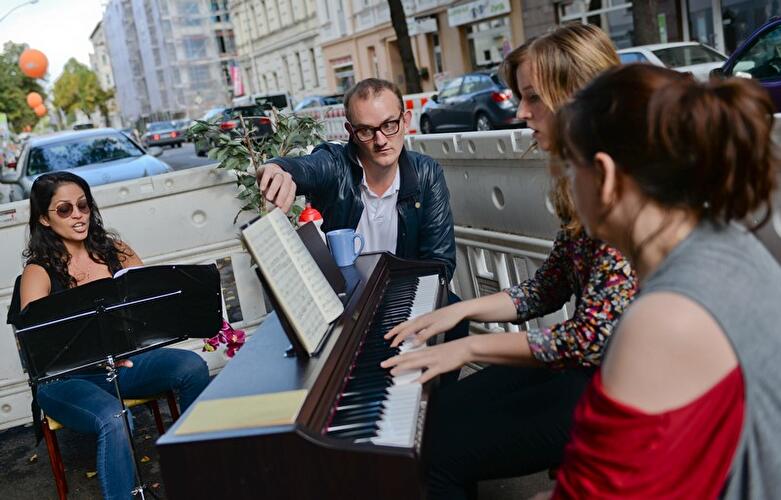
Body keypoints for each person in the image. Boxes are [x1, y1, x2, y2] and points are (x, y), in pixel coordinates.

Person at [381, 24, 636, 500]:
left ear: (578, 95)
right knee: (435, 416)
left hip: (617, 387)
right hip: (583, 369)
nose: (520, 112)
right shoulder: (582, 173)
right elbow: (546, 289)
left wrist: (469, 348)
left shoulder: (622, 183)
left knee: (436, 452)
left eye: (533, 97)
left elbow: (590, 340)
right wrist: (459, 311)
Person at [550, 64, 781, 498]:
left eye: (569, 166)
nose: (567, 183)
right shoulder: (729, 239)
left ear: (605, 176)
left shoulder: (668, 317)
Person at [8, 172, 210, 500]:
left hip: (123, 365)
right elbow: (40, 344)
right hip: (66, 379)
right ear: (44, 218)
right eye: (64, 209)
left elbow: (150, 307)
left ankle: (200, 469)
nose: (78, 215)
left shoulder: (116, 251)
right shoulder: (37, 271)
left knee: (191, 366)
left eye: (83, 205)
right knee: (114, 417)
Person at [255, 78, 456, 280]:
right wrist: (276, 168)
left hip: (408, 289)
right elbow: (306, 168)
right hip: (350, 295)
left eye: (389, 125)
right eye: (366, 130)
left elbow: (440, 263)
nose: (380, 140)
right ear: (351, 132)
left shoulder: (426, 173)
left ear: (405, 121)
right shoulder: (336, 166)